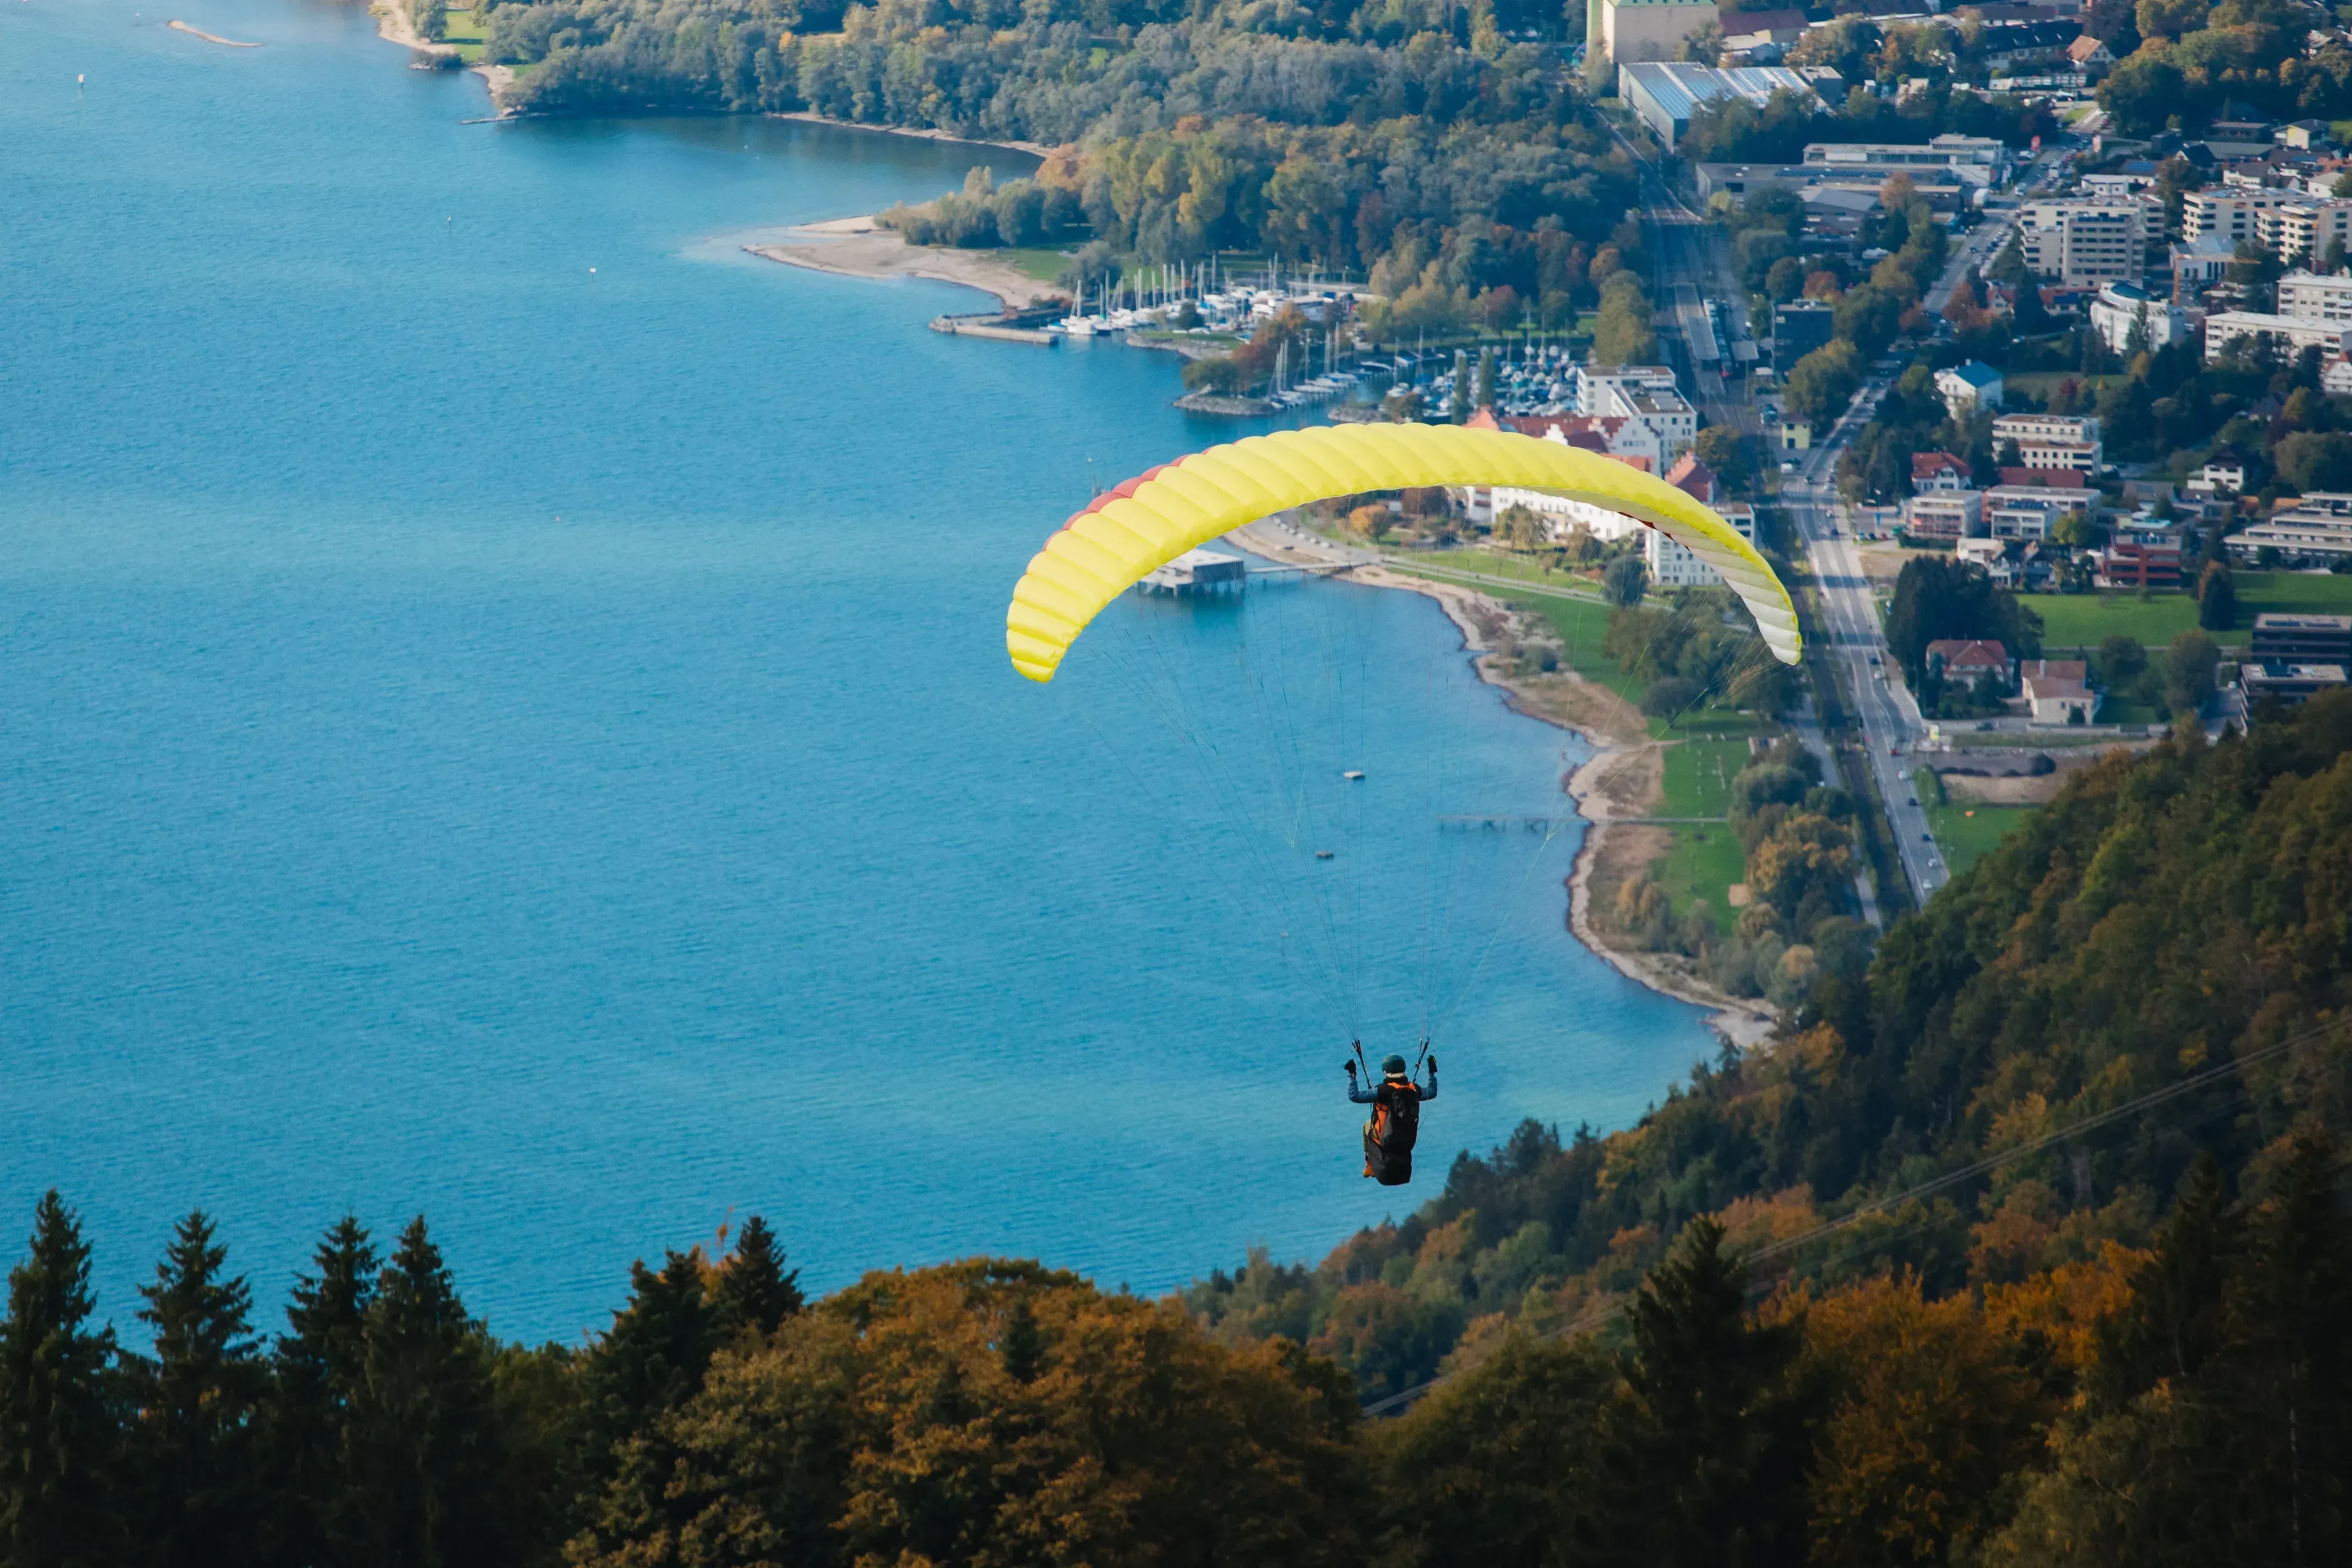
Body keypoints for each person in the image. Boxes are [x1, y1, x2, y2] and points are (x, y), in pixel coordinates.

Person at [1346, 1049, 1436, 1186]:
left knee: (1366, 1126)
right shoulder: (1413, 1089)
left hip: (1383, 1138)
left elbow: (1355, 1096)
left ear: (1386, 1072)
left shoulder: (1382, 1091)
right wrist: (1432, 1073)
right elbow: (1432, 1092)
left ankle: (1369, 1165)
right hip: (1407, 1138)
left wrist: (1352, 1075)